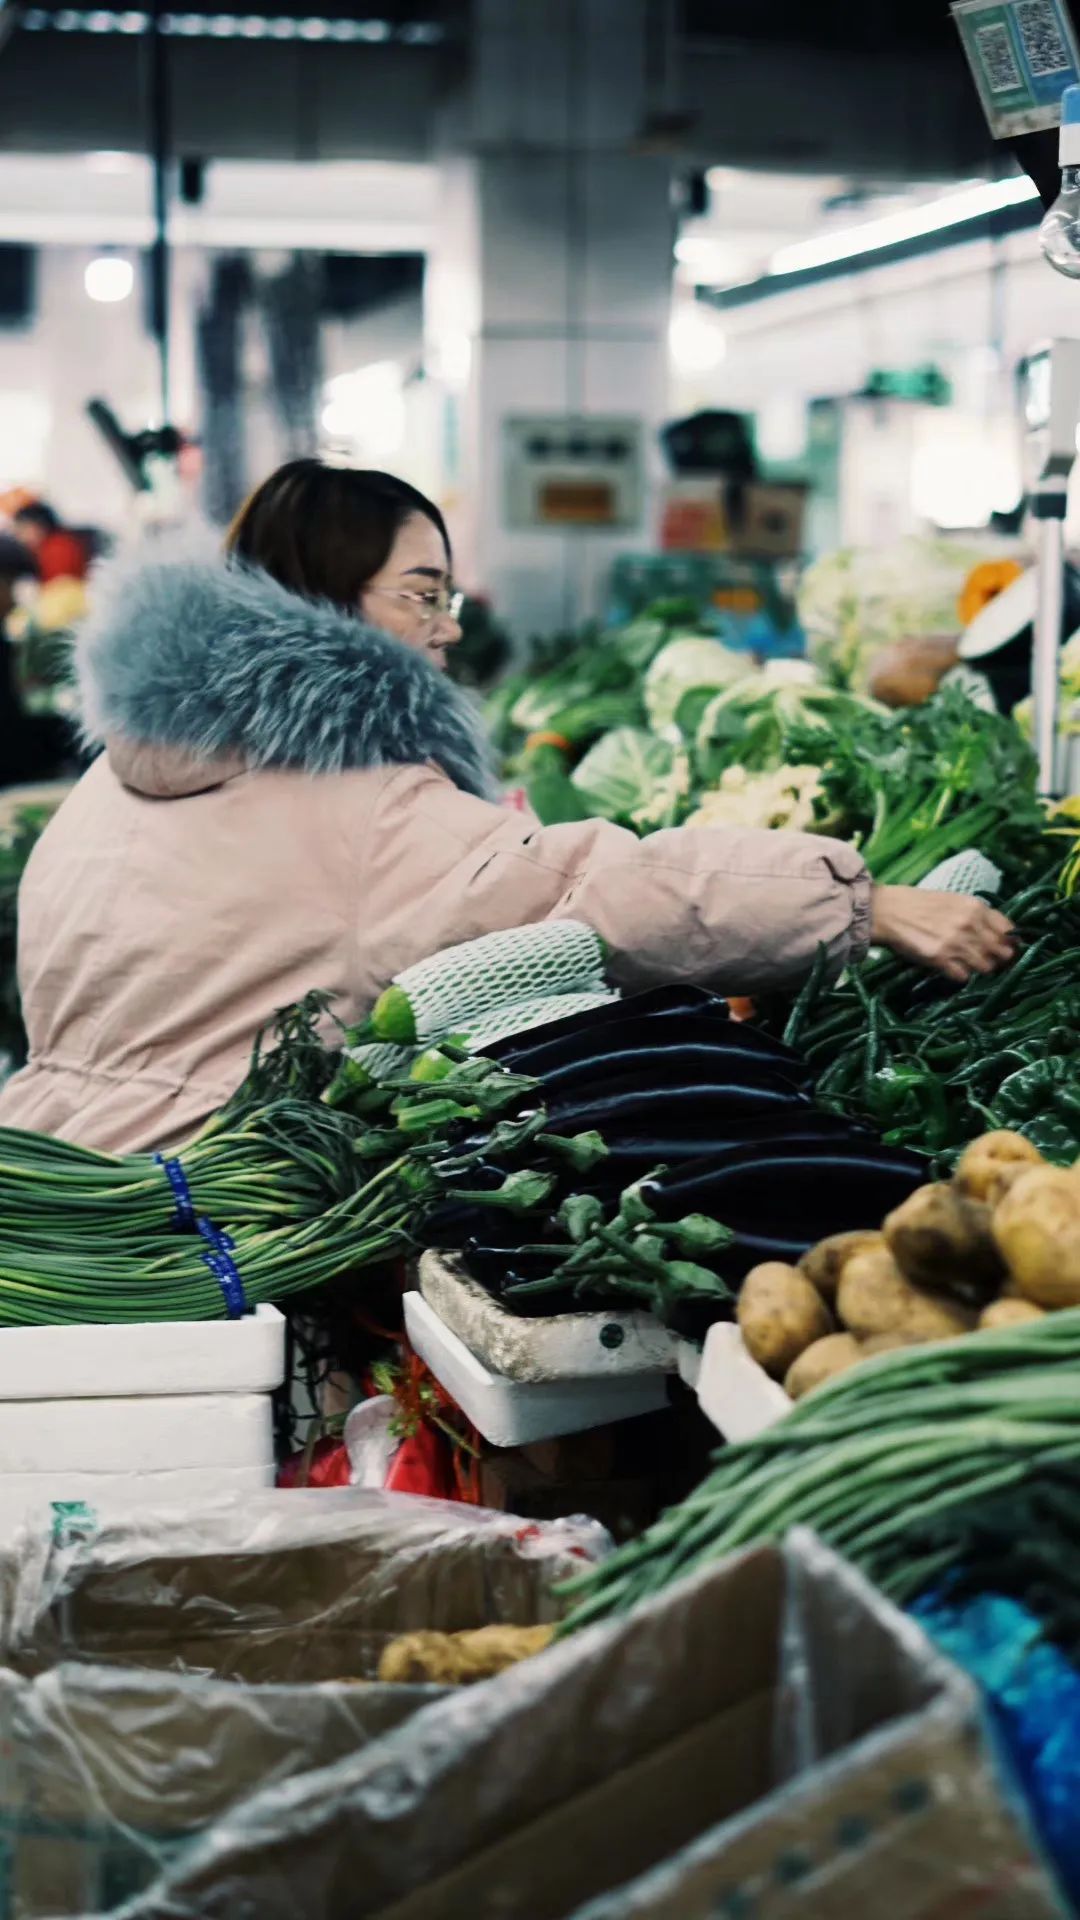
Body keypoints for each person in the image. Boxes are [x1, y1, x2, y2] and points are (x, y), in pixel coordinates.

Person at [0, 460, 1015, 1155]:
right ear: (325, 599)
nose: (446, 630)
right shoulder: (369, 806)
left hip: (51, 1184)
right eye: (421, 593)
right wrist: (860, 905)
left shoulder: (106, 785)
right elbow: (604, 891)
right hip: (214, 1208)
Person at [12, 502, 89, 585]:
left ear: (39, 526)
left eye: (23, 530)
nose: (21, 537)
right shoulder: (44, 548)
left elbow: (58, 584)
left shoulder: (59, 548)